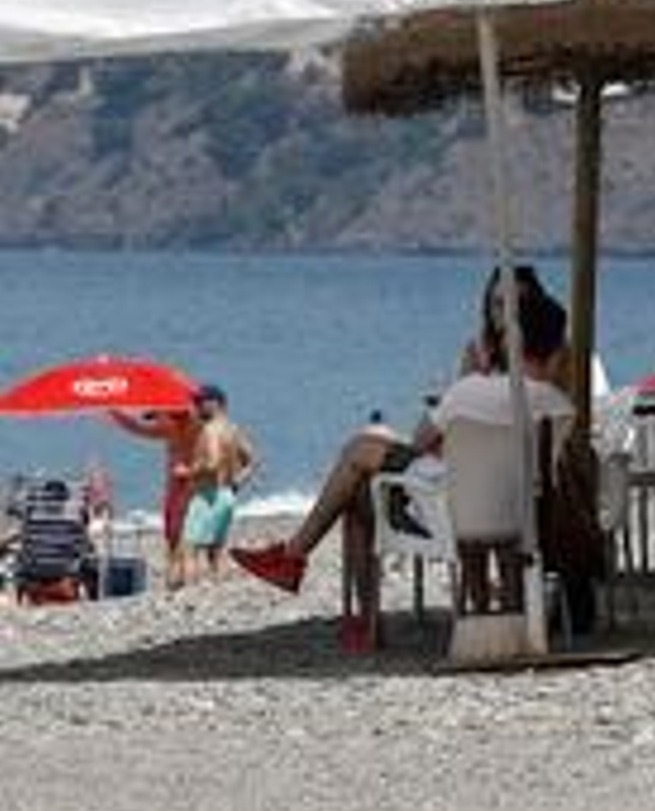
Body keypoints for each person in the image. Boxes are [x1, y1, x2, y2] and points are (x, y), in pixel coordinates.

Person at [231, 265, 593, 649]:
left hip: (453, 503)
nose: (504, 315)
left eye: (514, 308)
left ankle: (298, 560)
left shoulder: (470, 389)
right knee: (358, 493)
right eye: (499, 304)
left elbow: (422, 441)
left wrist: (458, 405)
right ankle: (354, 613)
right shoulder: (558, 405)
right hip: (524, 506)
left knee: (360, 451)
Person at [108, 405, 201, 589]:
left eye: (158, 415)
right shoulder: (179, 425)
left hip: (187, 486)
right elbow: (139, 426)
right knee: (175, 534)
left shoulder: (186, 425)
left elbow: (138, 427)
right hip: (179, 486)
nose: (156, 418)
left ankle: (181, 576)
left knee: (181, 533)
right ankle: (178, 575)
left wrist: (113, 411)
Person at [178, 384, 256, 584]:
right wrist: (238, 482)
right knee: (215, 551)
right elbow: (253, 460)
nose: (196, 407)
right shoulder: (233, 429)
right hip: (226, 495)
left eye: (200, 402)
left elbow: (212, 463)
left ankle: (191, 594)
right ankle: (217, 588)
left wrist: (187, 472)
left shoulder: (210, 430)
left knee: (189, 548)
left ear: (215, 404)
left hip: (208, 495)